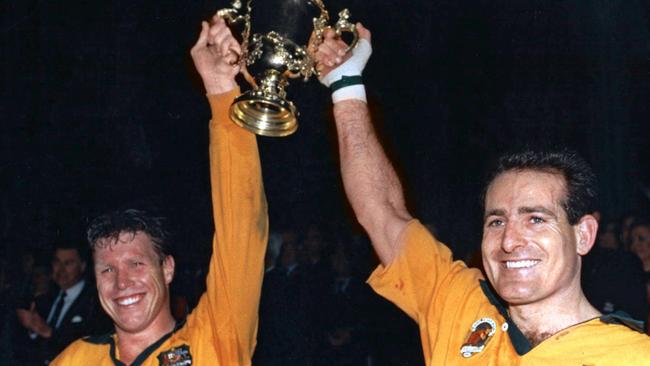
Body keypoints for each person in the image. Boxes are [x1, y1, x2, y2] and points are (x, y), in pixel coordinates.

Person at [314, 25, 650, 364]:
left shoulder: (631, 355)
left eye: (535, 219)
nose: (509, 241)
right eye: (496, 221)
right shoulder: (458, 302)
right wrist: (346, 86)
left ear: (584, 234)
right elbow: (381, 210)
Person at [51, 13, 268, 365]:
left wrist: (221, 91)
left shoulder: (214, 337)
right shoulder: (75, 358)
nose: (122, 283)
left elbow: (242, 227)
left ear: (167, 268)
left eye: (136, 263)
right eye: (107, 269)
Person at [15, 242, 110, 365]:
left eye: (68, 263)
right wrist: (32, 329)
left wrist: (47, 331)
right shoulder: (44, 298)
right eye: (57, 262)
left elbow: (89, 349)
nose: (61, 270)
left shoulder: (95, 303)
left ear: (82, 266)